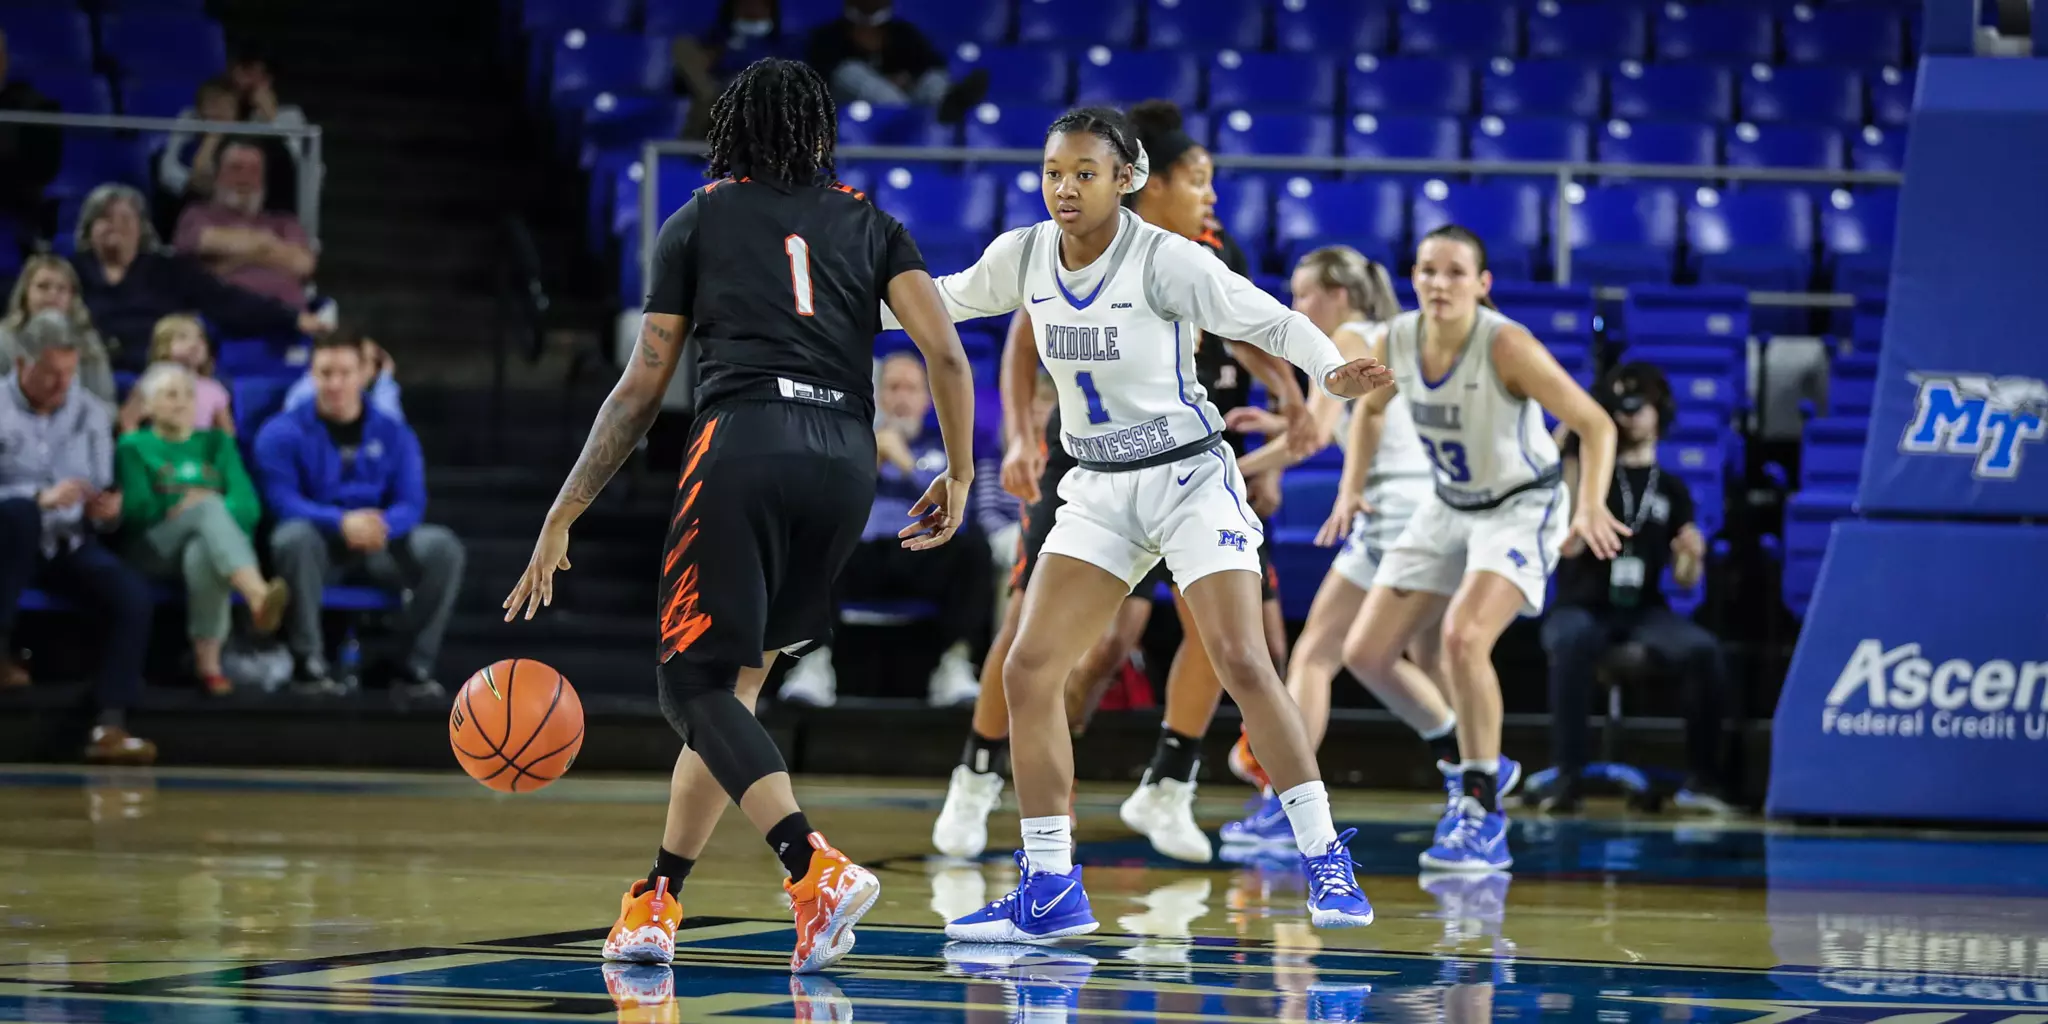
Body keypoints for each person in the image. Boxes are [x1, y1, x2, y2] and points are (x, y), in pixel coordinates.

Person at [501, 58, 978, 975]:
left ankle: (811, 866)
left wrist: (564, 513)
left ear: (732, 133)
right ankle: (657, 900)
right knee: (736, 690)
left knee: (690, 690)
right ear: (818, 130)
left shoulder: (700, 217)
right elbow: (948, 360)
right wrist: (958, 475)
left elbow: (643, 387)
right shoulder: (873, 221)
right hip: (845, 457)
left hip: (745, 443)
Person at [884, 105, 1391, 941]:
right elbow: (937, 306)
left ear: (1128, 178)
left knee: (1239, 657)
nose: (1066, 188)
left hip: (1189, 477)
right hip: (1098, 485)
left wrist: (1329, 368)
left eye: (1085, 172)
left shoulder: (1166, 259)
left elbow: (1267, 318)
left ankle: (1325, 858)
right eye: (1054, 172)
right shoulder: (1025, 255)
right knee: (1027, 667)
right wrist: (824, 316)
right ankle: (1050, 884)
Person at [927, 98, 1316, 865]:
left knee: (1235, 636)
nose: (1210, 194)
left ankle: (1169, 782)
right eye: (1198, 178)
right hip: (1089, 461)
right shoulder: (1066, 244)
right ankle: (983, 778)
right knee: (1051, 642)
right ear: (1151, 181)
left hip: (1187, 458)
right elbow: (1019, 331)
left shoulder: (1206, 249)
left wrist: (1292, 396)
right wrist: (1016, 436)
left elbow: (1243, 323)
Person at [1331, 225, 1627, 873]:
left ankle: (1482, 810)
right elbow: (1372, 412)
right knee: (1366, 653)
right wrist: (1351, 487)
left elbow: (1595, 423)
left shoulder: (1506, 345)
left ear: (1482, 284)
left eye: (1455, 272)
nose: (1439, 283)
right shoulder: (1399, 340)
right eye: (1427, 270)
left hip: (1521, 505)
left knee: (1465, 637)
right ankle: (1471, 755)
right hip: (1449, 503)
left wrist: (1591, 502)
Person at [1216, 245, 1478, 849]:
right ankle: (1477, 778)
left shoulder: (1350, 336)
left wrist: (1226, 468)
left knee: (1316, 656)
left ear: (1339, 295)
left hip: (1390, 512)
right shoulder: (1381, 334)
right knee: (1428, 659)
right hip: (1427, 507)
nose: (1296, 305)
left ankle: (1284, 803)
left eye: (1305, 293)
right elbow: (1331, 425)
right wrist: (1284, 427)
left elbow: (1315, 441)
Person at [1542, 362, 1727, 813]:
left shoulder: (1673, 489)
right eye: (1619, 405)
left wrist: (1692, 556)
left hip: (1643, 610)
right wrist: (1578, 430)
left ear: (1659, 410)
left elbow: (1686, 583)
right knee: (1571, 640)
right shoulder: (1587, 474)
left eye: (1637, 404)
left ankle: (1705, 779)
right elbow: (1565, 542)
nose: (1628, 415)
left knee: (1703, 650)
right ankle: (1569, 776)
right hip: (1582, 605)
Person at [255, 333, 464, 699]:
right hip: (320, 545)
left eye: (345, 373)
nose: (335, 383)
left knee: (443, 547)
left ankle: (410, 666)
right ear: (311, 374)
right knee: (292, 536)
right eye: (325, 372)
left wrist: (381, 525)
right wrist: (340, 522)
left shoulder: (394, 433)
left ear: (365, 373)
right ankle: (308, 663)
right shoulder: (281, 431)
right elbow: (282, 500)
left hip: (379, 543)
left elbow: (411, 503)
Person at [778, 351, 990, 706]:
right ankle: (813, 662)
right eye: (893, 388)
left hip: (923, 555)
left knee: (976, 551)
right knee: (810, 542)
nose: (902, 398)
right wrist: (864, 465)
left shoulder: (948, 450)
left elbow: (962, 516)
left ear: (927, 399)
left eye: (911, 389)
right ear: (878, 396)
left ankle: (955, 663)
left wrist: (908, 463)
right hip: (859, 556)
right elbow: (817, 505)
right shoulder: (848, 445)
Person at [0, 312, 155, 761]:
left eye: (69, 372)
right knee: (19, 513)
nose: (62, 383)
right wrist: (39, 498)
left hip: (68, 540)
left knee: (132, 596)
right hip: (9, 541)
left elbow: (100, 487)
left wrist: (107, 511)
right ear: (23, 363)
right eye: (51, 373)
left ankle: (110, 723)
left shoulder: (89, 411)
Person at [116, 362, 290, 696]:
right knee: (207, 508)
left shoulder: (217, 443)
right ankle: (256, 594)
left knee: (202, 549)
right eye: (169, 395)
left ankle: (208, 667)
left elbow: (248, 507)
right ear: (148, 406)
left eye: (187, 395)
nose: (181, 402)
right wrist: (182, 507)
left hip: (207, 544)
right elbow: (137, 510)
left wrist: (204, 510)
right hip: (151, 549)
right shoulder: (134, 446)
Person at [69, 184, 321, 365]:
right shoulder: (69, 271)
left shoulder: (171, 270)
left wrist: (291, 318)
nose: (115, 226)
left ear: (141, 230)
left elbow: (228, 301)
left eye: (125, 219)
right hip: (86, 369)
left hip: (161, 370)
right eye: (104, 218)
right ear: (89, 229)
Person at [804, 0, 988, 123]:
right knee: (851, 72)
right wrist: (886, 83)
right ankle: (903, 112)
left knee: (932, 80)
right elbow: (822, 77)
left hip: (910, 98)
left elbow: (931, 64)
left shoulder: (903, 32)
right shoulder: (827, 35)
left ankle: (951, 99)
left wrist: (907, 78)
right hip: (852, 108)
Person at [1, 254, 116, 404]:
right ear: (25, 293)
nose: (52, 295)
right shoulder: (4, 339)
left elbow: (105, 402)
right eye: (43, 286)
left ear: (71, 298)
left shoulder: (88, 342)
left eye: (61, 289)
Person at [117, 314, 235, 435]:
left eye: (200, 338)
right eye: (183, 337)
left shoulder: (214, 389)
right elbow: (128, 421)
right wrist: (141, 451)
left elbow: (227, 435)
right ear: (163, 346)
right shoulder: (151, 383)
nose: (194, 344)